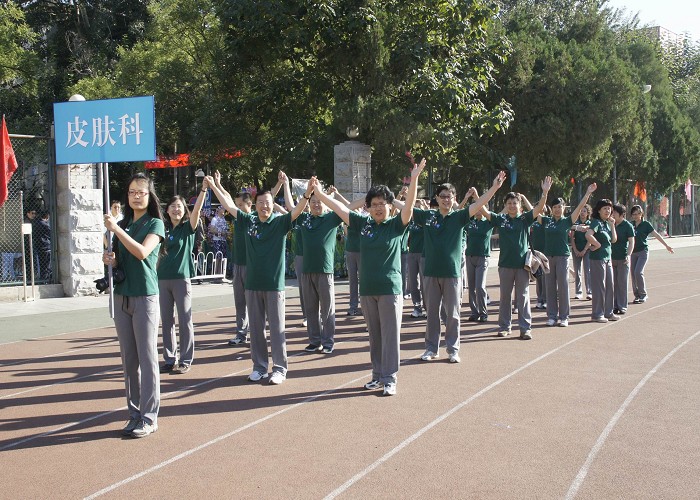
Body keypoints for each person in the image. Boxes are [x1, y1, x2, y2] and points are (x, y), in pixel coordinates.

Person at [311, 159, 426, 396]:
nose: (378, 208)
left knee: (390, 336)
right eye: (374, 204)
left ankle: (390, 377)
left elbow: (410, 207)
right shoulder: (363, 224)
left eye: (382, 204)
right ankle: (377, 375)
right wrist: (320, 194)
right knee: (374, 336)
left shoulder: (396, 225)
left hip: (390, 289)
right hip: (368, 290)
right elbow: (339, 208)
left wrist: (414, 179)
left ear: (388, 205)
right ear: (368, 207)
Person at [206, 173, 313, 385]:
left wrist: (308, 194)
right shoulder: (248, 221)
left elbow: (296, 211)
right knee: (256, 330)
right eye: (261, 203)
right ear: (255, 205)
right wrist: (213, 186)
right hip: (253, 285)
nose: (264, 206)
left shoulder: (280, 222)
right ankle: (260, 367)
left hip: (274, 286)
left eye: (268, 203)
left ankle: (280, 368)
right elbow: (228, 205)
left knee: (277, 329)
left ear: (273, 204)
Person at [403, 173, 506, 364]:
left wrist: (494, 188)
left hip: (452, 274)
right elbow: (407, 207)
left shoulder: (458, 217)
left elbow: (478, 205)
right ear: (436, 198)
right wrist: (392, 198)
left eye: (449, 196)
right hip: (431, 273)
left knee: (453, 314)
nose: (445, 199)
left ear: (454, 199)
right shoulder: (428, 216)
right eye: (442, 196)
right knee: (432, 314)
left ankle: (452, 349)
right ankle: (431, 349)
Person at [102, 173, 165, 438]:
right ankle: (134, 414)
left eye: (141, 192)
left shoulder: (155, 224)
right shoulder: (124, 222)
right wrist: (111, 259)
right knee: (129, 361)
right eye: (131, 192)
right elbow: (121, 258)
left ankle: (150, 417)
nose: (136, 196)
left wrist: (116, 229)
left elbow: (142, 252)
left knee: (147, 358)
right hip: (122, 296)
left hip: (145, 297)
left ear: (149, 196)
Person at [482, 178, 552, 340]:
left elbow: (539, 208)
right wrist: (490, 189)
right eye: (509, 203)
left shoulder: (525, 219)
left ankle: (525, 328)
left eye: (515, 203)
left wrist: (545, 192)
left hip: (523, 266)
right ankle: (505, 327)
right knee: (505, 297)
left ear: (519, 205)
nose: (512, 206)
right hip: (505, 265)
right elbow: (484, 211)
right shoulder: (502, 219)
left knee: (523, 297)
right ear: (505, 205)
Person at [280, 172, 343, 354]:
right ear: (309, 204)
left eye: (319, 202)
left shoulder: (331, 218)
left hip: (324, 269)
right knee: (310, 309)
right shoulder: (304, 219)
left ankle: (328, 341)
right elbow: (291, 207)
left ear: (324, 203)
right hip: (306, 270)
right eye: (313, 202)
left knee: (327, 308)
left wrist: (331, 196)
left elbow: (348, 209)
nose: (316, 205)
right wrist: (286, 185)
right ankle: (315, 340)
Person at [157, 186, 207, 375]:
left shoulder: (188, 228)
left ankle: (185, 359)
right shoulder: (162, 229)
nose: (176, 210)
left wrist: (203, 191)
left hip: (181, 279)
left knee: (185, 320)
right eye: (173, 206)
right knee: (167, 321)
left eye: (180, 206)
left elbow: (196, 211)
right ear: (167, 210)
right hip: (162, 280)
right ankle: (170, 359)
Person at [541, 184, 597, 327]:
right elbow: (534, 211)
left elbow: (579, 207)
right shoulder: (546, 221)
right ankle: (552, 316)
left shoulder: (567, 221)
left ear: (563, 208)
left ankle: (564, 316)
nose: (557, 209)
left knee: (563, 286)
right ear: (551, 209)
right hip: (548, 258)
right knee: (550, 287)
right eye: (554, 207)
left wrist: (587, 193)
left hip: (562, 257)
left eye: (560, 207)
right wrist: (545, 192)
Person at [629, 204, 674, 303]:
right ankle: (637, 295)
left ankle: (643, 295)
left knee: (638, 272)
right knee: (633, 273)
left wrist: (666, 246)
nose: (636, 216)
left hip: (642, 252)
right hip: (633, 252)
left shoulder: (646, 224)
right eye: (634, 214)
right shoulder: (630, 224)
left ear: (642, 214)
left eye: (638, 213)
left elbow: (656, 235)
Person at [585, 199, 618, 322]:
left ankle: (608, 312)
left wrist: (612, 225)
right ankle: (597, 314)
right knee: (600, 287)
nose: (607, 210)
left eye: (609, 208)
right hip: (598, 259)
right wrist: (597, 244)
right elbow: (588, 235)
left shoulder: (606, 223)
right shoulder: (596, 222)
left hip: (607, 258)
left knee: (610, 286)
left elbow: (613, 240)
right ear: (598, 210)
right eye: (604, 208)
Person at [610, 204, 635, 315]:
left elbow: (631, 242)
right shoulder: (611, 224)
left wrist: (628, 255)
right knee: (613, 283)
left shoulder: (627, 226)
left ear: (621, 214)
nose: (612, 214)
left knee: (622, 283)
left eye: (615, 212)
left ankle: (622, 306)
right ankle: (614, 305)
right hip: (611, 258)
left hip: (623, 258)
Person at [570, 204, 593, 300]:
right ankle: (578, 292)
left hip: (587, 250)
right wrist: (575, 249)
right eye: (581, 211)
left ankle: (589, 291)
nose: (582, 213)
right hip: (576, 250)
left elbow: (590, 239)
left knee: (587, 271)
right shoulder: (575, 223)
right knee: (577, 271)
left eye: (584, 211)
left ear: (588, 213)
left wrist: (584, 250)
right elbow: (572, 237)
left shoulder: (591, 223)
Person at [32, 210, 52, 281]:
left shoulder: (35, 223)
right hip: (45, 246)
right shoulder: (45, 225)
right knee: (47, 265)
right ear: (47, 216)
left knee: (42, 264)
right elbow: (51, 235)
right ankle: (46, 279)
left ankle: (43, 278)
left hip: (38, 246)